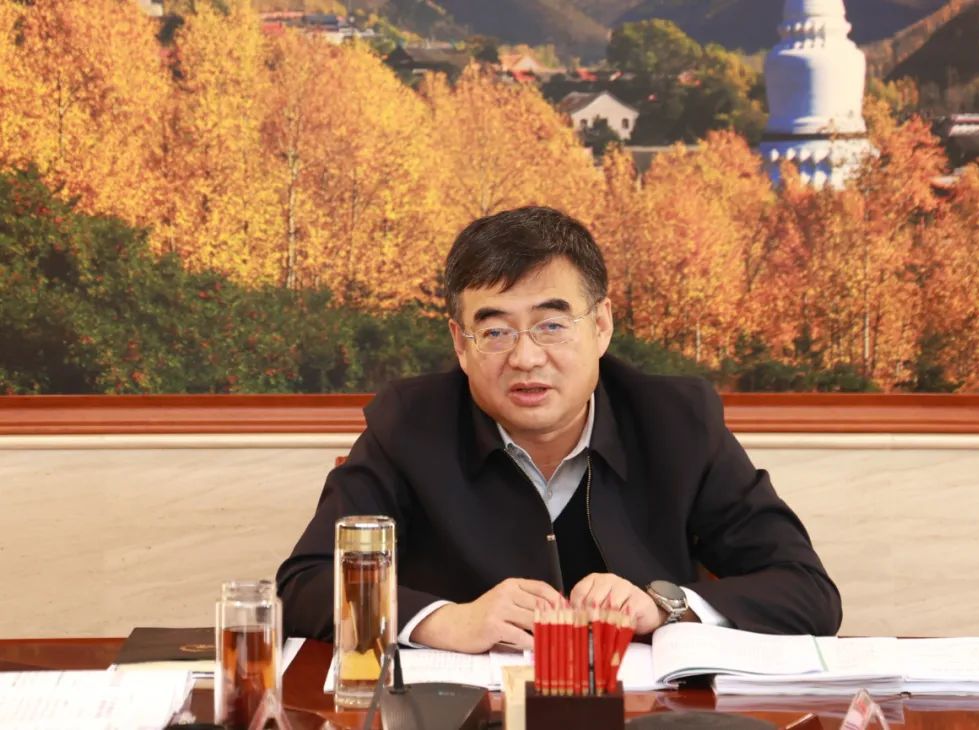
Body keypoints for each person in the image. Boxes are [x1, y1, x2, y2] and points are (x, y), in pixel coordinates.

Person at [277, 206, 841, 652]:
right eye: (495, 332)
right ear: (460, 344)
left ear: (601, 326)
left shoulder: (678, 422)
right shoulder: (408, 425)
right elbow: (304, 583)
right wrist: (446, 621)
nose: (526, 358)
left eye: (551, 325)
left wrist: (664, 606)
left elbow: (806, 590)